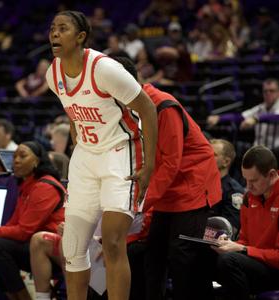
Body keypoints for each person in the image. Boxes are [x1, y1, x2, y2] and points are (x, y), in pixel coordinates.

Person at [46, 10, 157, 300]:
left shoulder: (104, 69)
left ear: (80, 37)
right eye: (52, 28)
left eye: (63, 28)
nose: (55, 34)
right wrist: (76, 136)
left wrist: (150, 165)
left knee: (112, 242)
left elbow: (148, 108)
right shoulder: (52, 73)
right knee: (71, 247)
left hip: (120, 152)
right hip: (85, 155)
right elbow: (72, 109)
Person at [114, 57, 221, 300]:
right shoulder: (131, 109)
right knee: (153, 255)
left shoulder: (162, 106)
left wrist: (140, 201)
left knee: (182, 256)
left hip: (192, 184)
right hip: (166, 188)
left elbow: (171, 162)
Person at [0, 141, 66, 300]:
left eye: (22, 156)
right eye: (14, 156)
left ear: (36, 161)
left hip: (51, 250)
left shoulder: (45, 186)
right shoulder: (27, 185)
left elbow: (23, 232)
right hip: (33, 244)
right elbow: (12, 226)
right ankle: (13, 297)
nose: (16, 160)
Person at [210, 145, 279, 299]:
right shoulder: (248, 198)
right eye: (245, 179)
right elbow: (245, 240)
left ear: (272, 175)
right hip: (255, 262)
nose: (247, 186)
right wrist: (229, 244)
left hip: (274, 269)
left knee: (229, 261)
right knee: (203, 254)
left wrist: (243, 249)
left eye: (253, 180)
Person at [207, 78, 279, 149]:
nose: (268, 93)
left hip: (276, 150)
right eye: (265, 91)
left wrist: (256, 119)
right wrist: (219, 118)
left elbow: (275, 117)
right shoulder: (260, 108)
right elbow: (240, 117)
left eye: (272, 91)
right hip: (258, 150)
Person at [210, 139, 244, 233]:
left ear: (226, 162)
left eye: (214, 154)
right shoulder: (199, 183)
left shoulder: (234, 192)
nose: (207, 156)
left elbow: (229, 230)